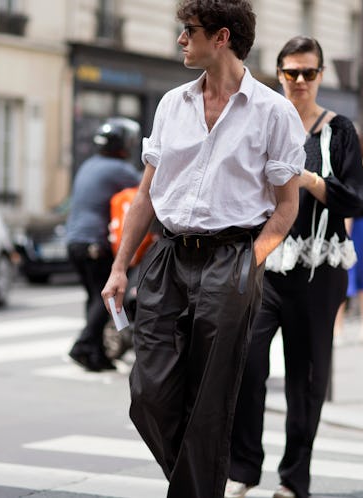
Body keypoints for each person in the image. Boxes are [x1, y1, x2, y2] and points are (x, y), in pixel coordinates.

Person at [100, 1, 307, 497]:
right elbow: (148, 193)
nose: (179, 40)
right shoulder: (173, 104)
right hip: (168, 257)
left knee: (210, 397)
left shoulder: (273, 112)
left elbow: (285, 207)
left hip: (230, 258)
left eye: (187, 31)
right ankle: (200, 487)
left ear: (221, 38)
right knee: (147, 392)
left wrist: (249, 262)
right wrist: (120, 267)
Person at [226, 36, 363, 498]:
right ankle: (243, 468)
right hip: (265, 263)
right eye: (291, 72)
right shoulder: (262, 121)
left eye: (308, 72)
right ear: (279, 74)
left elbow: (356, 198)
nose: (300, 81)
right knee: (246, 366)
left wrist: (309, 180)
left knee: (306, 379)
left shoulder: (339, 130)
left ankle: (293, 480)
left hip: (318, 268)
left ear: (321, 75)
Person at [66, 117, 142, 372]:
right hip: (95, 243)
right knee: (107, 296)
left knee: (94, 296)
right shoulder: (119, 170)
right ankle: (83, 345)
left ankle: (95, 352)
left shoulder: (89, 165)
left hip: (75, 242)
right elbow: (148, 190)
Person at [334, 135, 363, 348]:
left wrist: (345, 230)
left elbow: (350, 204)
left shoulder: (350, 171)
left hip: (352, 226)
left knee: (341, 277)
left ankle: (338, 330)